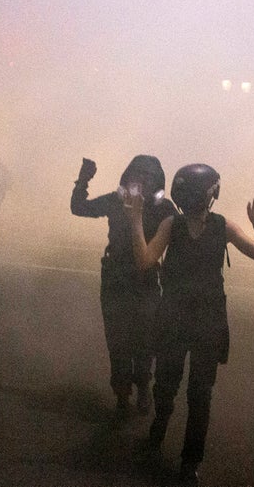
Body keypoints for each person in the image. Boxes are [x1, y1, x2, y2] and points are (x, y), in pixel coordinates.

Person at [124, 163, 254, 484]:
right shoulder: (174, 226)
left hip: (205, 322)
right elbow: (147, 261)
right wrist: (136, 222)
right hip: (180, 319)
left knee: (198, 395)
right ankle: (161, 425)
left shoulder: (218, 227)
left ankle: (190, 459)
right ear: (210, 194)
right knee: (169, 385)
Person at [71, 155, 177, 418]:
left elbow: (182, 235)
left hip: (146, 280)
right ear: (126, 178)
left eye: (147, 178)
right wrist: (82, 180)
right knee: (117, 341)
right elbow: (79, 207)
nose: (140, 182)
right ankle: (121, 394)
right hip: (116, 279)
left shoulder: (164, 209)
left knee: (145, 340)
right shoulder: (115, 201)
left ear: (156, 183)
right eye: (136, 176)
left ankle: (142, 385)